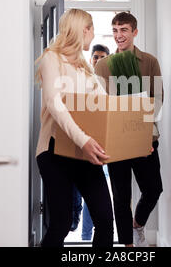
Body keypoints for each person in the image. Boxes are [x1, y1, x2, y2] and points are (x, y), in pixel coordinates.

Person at [35, 8, 113, 247]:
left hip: (84, 154)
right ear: (84, 30)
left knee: (105, 219)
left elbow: (105, 109)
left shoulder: (86, 69)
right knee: (61, 221)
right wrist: (84, 141)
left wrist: (137, 143)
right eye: (92, 30)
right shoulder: (52, 58)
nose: (93, 36)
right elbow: (54, 103)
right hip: (54, 152)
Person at [94, 12, 164, 247]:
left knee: (154, 189)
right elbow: (99, 106)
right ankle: (128, 245)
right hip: (116, 141)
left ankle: (137, 224)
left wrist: (144, 135)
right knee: (121, 197)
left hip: (145, 139)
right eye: (114, 30)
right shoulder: (103, 66)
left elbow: (158, 100)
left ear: (134, 32)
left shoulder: (150, 61)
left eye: (123, 30)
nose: (118, 35)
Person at [69, 44, 111, 241]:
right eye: (96, 57)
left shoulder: (109, 83)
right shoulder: (80, 78)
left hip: (99, 150)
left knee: (95, 203)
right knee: (74, 203)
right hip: (75, 148)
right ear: (90, 58)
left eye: (103, 57)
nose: (98, 60)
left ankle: (86, 237)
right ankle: (79, 229)